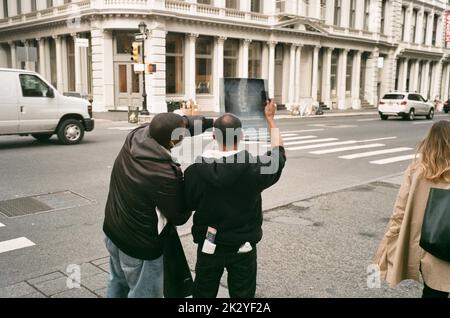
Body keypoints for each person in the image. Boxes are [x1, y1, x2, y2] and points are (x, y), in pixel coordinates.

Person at [184, 99, 286, 298]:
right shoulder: (256, 168)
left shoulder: (195, 171)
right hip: (244, 245)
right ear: (241, 136)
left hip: (209, 244)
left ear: (214, 136)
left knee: (203, 295)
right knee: (243, 296)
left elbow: (186, 204)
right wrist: (271, 119)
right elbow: (278, 151)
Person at [103, 113, 212, 298]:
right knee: (143, 293)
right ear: (171, 142)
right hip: (138, 245)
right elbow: (178, 216)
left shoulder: (136, 136)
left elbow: (182, 122)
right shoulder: (164, 173)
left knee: (117, 282)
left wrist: (213, 123)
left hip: (113, 229)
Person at [373, 120, 450, 298]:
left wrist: (389, 238)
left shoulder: (417, 170)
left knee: (433, 290)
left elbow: (400, 210)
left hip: (429, 243)